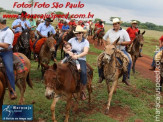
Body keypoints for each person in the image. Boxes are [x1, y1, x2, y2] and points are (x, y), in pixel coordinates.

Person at [98, 18, 132, 86]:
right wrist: (105, 47)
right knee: (99, 59)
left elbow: (128, 41)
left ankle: (125, 78)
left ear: (119, 24)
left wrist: (120, 43)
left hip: (120, 50)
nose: (114, 25)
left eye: (116, 24)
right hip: (110, 50)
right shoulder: (110, 31)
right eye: (113, 24)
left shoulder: (124, 32)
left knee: (129, 60)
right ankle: (101, 76)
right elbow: (104, 39)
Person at [63, 25, 89, 100]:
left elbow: (85, 52)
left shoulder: (86, 42)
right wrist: (68, 52)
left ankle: (83, 90)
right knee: (60, 66)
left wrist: (77, 56)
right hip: (70, 57)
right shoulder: (71, 40)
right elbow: (64, 47)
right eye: (77, 33)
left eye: (79, 33)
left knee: (83, 72)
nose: (78, 34)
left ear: (82, 33)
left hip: (81, 59)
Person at [0, 16, 17, 99]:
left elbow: (6, 45)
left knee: (9, 69)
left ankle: (12, 90)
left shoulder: (9, 32)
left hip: (6, 52)